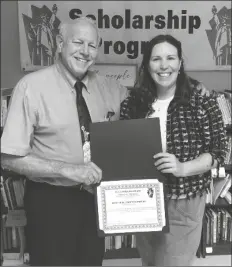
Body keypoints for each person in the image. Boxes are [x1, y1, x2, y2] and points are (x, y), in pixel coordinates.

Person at [1, 17, 129, 266]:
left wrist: (190, 89)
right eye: (78, 42)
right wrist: (68, 170)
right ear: (60, 43)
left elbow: (139, 124)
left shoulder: (112, 89)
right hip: (51, 200)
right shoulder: (31, 87)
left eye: (92, 45)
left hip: (95, 201)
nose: (85, 51)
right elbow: (10, 157)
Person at [120, 34, 228, 266]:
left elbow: (219, 152)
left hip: (184, 199)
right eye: (156, 58)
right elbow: (123, 150)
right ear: (147, 65)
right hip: (142, 198)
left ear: (180, 63)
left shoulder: (202, 100)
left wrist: (183, 167)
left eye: (170, 57)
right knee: (150, 262)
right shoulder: (133, 103)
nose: (163, 65)